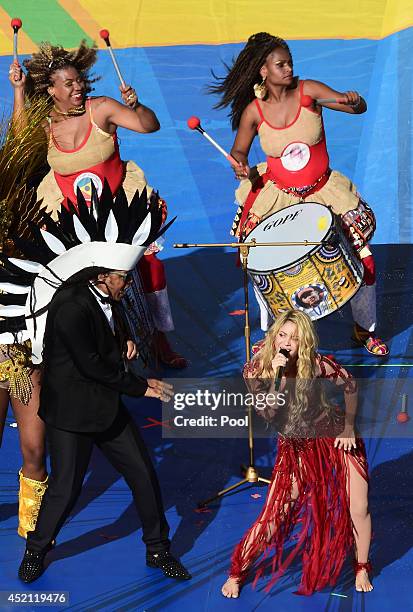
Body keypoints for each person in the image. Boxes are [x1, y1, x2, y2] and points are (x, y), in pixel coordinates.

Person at [0, 183, 191, 583]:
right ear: (103, 276)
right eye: (124, 277)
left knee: (143, 475)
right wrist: (144, 387)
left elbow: (108, 333)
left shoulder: (108, 296)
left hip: (106, 407)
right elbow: (91, 366)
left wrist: (122, 339)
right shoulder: (70, 307)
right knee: (65, 488)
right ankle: (36, 551)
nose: (129, 283)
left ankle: (159, 549)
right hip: (71, 411)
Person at [8, 40, 186, 368]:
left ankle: (160, 338)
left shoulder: (101, 107)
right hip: (71, 215)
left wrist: (138, 105)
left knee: (150, 267)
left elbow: (149, 125)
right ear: (51, 90)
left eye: (80, 82)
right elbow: (19, 141)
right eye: (69, 84)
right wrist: (18, 92)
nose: (78, 88)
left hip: (119, 208)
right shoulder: (45, 123)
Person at [209, 32, 388, 356]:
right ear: (264, 71)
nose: (288, 69)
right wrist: (240, 163)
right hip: (279, 197)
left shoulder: (310, 92)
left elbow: (356, 107)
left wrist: (353, 100)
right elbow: (239, 150)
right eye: (280, 65)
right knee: (266, 268)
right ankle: (279, 336)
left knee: (365, 260)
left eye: (289, 63)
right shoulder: (254, 111)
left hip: (324, 193)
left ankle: (364, 330)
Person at [221, 310, 373, 597]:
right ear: (273, 336)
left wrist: (349, 428)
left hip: (333, 434)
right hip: (297, 447)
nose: (287, 343)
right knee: (275, 513)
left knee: (359, 506)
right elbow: (268, 411)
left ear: (304, 343)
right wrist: (277, 381)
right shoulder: (254, 371)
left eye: (295, 338)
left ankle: (362, 565)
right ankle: (238, 570)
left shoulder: (315, 364)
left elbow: (350, 383)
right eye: (283, 335)